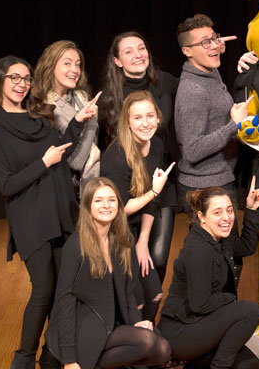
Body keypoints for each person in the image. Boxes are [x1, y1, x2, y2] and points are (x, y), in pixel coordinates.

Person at [0, 56, 97, 368]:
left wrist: (78, 122)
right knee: (44, 288)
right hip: (31, 217)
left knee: (63, 289)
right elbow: (6, 184)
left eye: (27, 78)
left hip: (60, 209)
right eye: (14, 78)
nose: (22, 84)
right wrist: (42, 163)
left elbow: (60, 149)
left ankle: (52, 353)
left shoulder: (38, 114)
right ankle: (24, 358)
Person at [44, 177, 171, 369]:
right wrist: (69, 360)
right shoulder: (75, 247)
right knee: (148, 342)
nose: (106, 205)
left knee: (162, 349)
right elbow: (65, 304)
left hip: (113, 322)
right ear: (87, 206)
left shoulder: (121, 240)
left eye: (112, 200)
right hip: (84, 327)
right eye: (98, 200)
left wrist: (135, 323)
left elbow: (128, 292)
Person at [158, 182, 259, 369]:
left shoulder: (219, 237)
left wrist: (250, 210)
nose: (226, 217)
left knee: (250, 364)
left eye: (229, 210)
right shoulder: (198, 250)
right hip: (181, 330)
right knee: (250, 311)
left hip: (202, 323)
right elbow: (200, 304)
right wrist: (230, 299)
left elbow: (245, 247)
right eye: (217, 212)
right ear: (201, 217)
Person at [100, 31, 179, 284]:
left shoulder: (165, 82)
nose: (138, 55)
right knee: (129, 263)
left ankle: (150, 317)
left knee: (158, 257)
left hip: (160, 180)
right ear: (117, 61)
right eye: (128, 51)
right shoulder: (110, 96)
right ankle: (135, 316)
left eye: (141, 48)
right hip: (127, 184)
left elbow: (201, 84)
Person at [100, 90, 174, 322]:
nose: (145, 123)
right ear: (128, 122)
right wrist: (154, 191)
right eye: (138, 118)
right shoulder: (117, 155)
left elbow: (153, 201)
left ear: (158, 118)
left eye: (150, 116)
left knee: (155, 296)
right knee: (136, 300)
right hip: (114, 231)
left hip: (135, 230)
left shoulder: (157, 145)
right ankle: (132, 348)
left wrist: (143, 241)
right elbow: (118, 210)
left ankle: (145, 346)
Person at [174, 13, 248, 214]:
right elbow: (192, 150)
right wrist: (234, 125)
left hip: (218, 180)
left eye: (215, 38)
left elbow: (211, 51)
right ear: (187, 51)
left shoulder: (206, 71)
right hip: (205, 189)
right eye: (205, 43)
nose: (215, 46)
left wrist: (211, 46)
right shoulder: (193, 91)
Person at [32, 40, 100, 192]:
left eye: (77, 64)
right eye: (67, 63)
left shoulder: (83, 98)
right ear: (51, 66)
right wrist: (91, 121)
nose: (75, 70)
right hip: (58, 187)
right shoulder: (43, 106)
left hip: (86, 187)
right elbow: (76, 161)